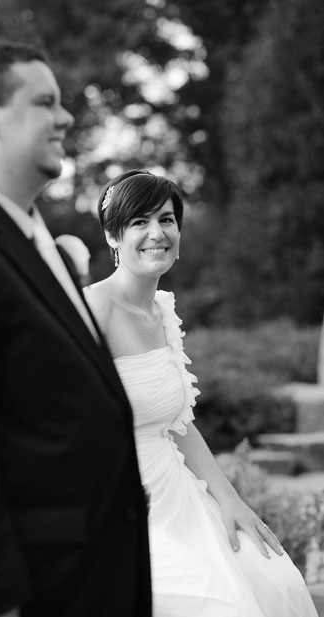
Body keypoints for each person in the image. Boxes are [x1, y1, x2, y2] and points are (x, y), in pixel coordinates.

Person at [0, 40, 152, 617]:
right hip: (40, 591)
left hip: (101, 578)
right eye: (45, 102)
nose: (66, 116)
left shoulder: (37, 239)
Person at [84, 169, 317, 616]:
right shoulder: (93, 309)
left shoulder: (161, 309)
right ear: (113, 236)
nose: (157, 233)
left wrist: (230, 499)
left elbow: (179, 423)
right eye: (139, 222)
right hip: (119, 502)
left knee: (272, 574)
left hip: (178, 492)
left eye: (167, 220)